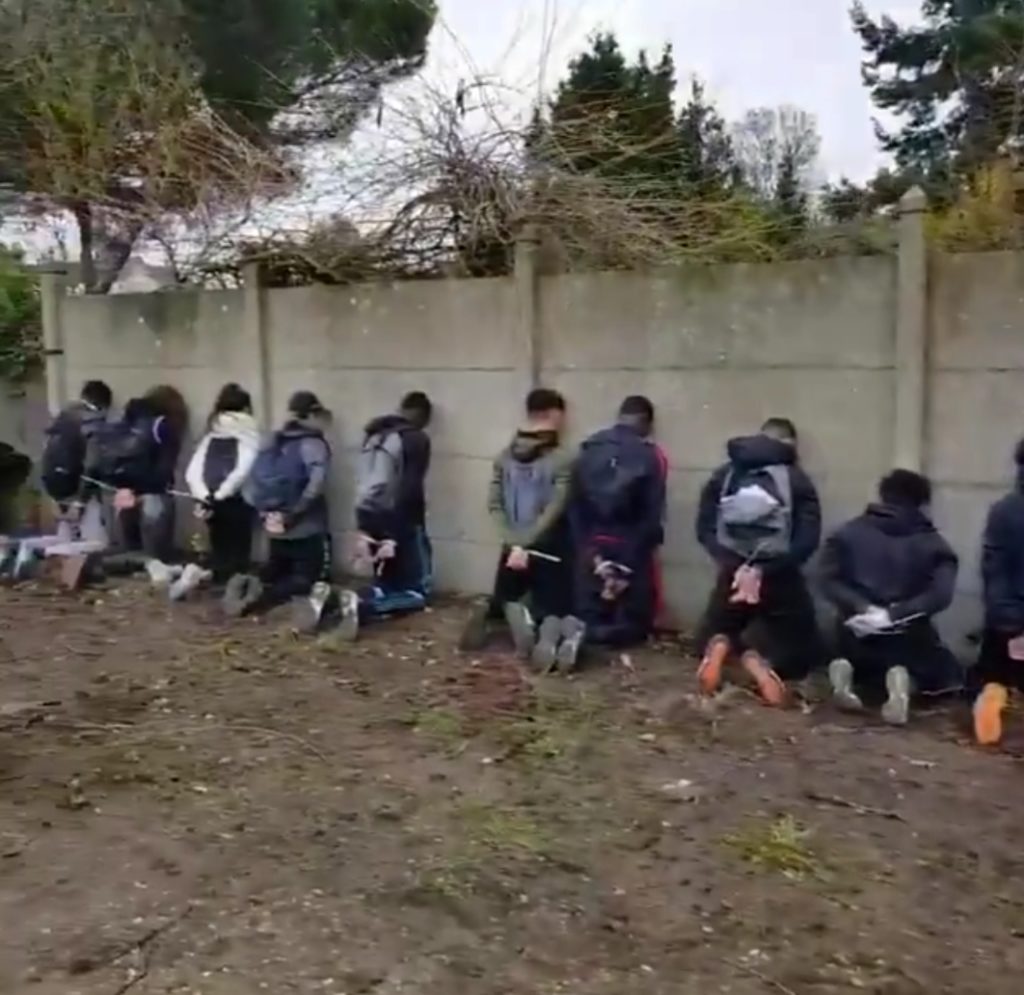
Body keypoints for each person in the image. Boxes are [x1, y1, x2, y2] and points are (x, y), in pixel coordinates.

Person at [695, 417, 823, 706]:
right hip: (780, 575)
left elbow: (704, 528)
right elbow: (808, 539)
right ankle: (764, 662)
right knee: (803, 648)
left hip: (733, 571)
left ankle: (723, 645)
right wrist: (764, 570)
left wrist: (735, 565)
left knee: (713, 630)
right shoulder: (796, 478)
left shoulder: (726, 473)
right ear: (790, 445)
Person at [820, 469, 962, 726]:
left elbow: (827, 580)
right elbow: (941, 595)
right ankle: (904, 684)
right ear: (923, 503)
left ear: (883, 495)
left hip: (855, 630)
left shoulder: (847, 533)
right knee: (942, 673)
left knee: (851, 657)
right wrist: (892, 615)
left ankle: (844, 673)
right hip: (908, 636)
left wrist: (862, 607)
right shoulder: (934, 544)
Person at [459, 387, 577, 670]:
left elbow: (494, 504)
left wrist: (513, 543)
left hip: (511, 546)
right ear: (552, 414)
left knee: (507, 596)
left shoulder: (504, 456)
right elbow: (556, 507)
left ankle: (493, 613)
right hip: (547, 545)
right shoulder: (562, 458)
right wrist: (527, 542)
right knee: (555, 606)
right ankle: (539, 626)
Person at [226, 390, 333, 630]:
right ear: (312, 415)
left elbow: (252, 482)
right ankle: (263, 599)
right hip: (306, 525)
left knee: (276, 569)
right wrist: (294, 514)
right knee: (308, 579)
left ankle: (249, 585)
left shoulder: (273, 441)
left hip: (273, 523)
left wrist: (266, 513)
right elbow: (316, 485)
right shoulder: (314, 445)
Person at [333, 391, 435, 641]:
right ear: (423, 416)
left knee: (385, 583)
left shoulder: (375, 434)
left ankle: (334, 603)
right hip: (400, 517)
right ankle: (363, 609)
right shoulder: (415, 438)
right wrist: (399, 531)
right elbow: (411, 486)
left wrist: (364, 527)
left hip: (368, 514)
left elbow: (364, 480)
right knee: (417, 592)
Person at [570, 396, 666, 656]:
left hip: (592, 538)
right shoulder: (650, 456)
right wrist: (632, 559)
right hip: (630, 541)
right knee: (633, 620)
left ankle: (584, 635)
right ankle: (612, 635)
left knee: (589, 608)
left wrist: (589, 551)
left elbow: (575, 504)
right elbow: (652, 511)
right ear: (647, 423)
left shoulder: (589, 449)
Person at [178, 383, 260, 599]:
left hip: (208, 501)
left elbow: (193, 471)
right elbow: (244, 469)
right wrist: (222, 494)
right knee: (239, 546)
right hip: (238, 500)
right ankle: (236, 590)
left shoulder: (211, 435)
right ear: (246, 407)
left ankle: (219, 582)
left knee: (219, 543)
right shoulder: (249, 433)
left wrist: (205, 496)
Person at [95, 385, 187, 564]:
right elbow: (166, 466)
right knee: (156, 557)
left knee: (130, 553)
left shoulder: (126, 422)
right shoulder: (162, 426)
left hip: (123, 493)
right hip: (154, 494)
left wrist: (128, 487)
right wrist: (154, 487)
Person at [972, 438, 1024, 745]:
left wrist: (1008, 620)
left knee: (998, 672)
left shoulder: (1004, 510)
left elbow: (993, 568)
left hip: (1007, 616)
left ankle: (993, 693)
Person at [40, 379, 113, 536]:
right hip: (82, 495)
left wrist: (52, 497)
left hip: (57, 492)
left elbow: (46, 457)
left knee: (64, 543)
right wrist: (81, 502)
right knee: (93, 544)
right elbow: (92, 465)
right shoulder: (95, 424)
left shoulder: (60, 419)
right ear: (105, 405)